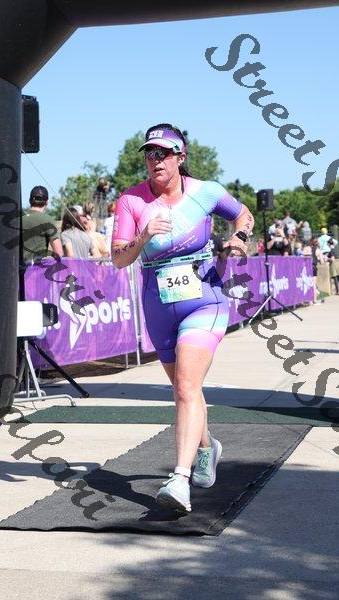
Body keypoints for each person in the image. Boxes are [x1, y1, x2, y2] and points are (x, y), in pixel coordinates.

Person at [111, 123, 254, 513]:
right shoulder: (131, 200)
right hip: (158, 305)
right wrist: (143, 237)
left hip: (204, 300)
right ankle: (207, 446)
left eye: (162, 153)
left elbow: (243, 215)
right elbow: (119, 258)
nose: (155, 160)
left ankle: (178, 480)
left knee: (187, 387)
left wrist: (239, 238)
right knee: (184, 389)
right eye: (149, 153)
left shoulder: (206, 191)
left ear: (180, 156)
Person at [22, 185, 63, 261]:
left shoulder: (19, 218)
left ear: (30, 200)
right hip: (37, 267)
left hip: (17, 267)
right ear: (46, 202)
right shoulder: (47, 220)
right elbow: (59, 253)